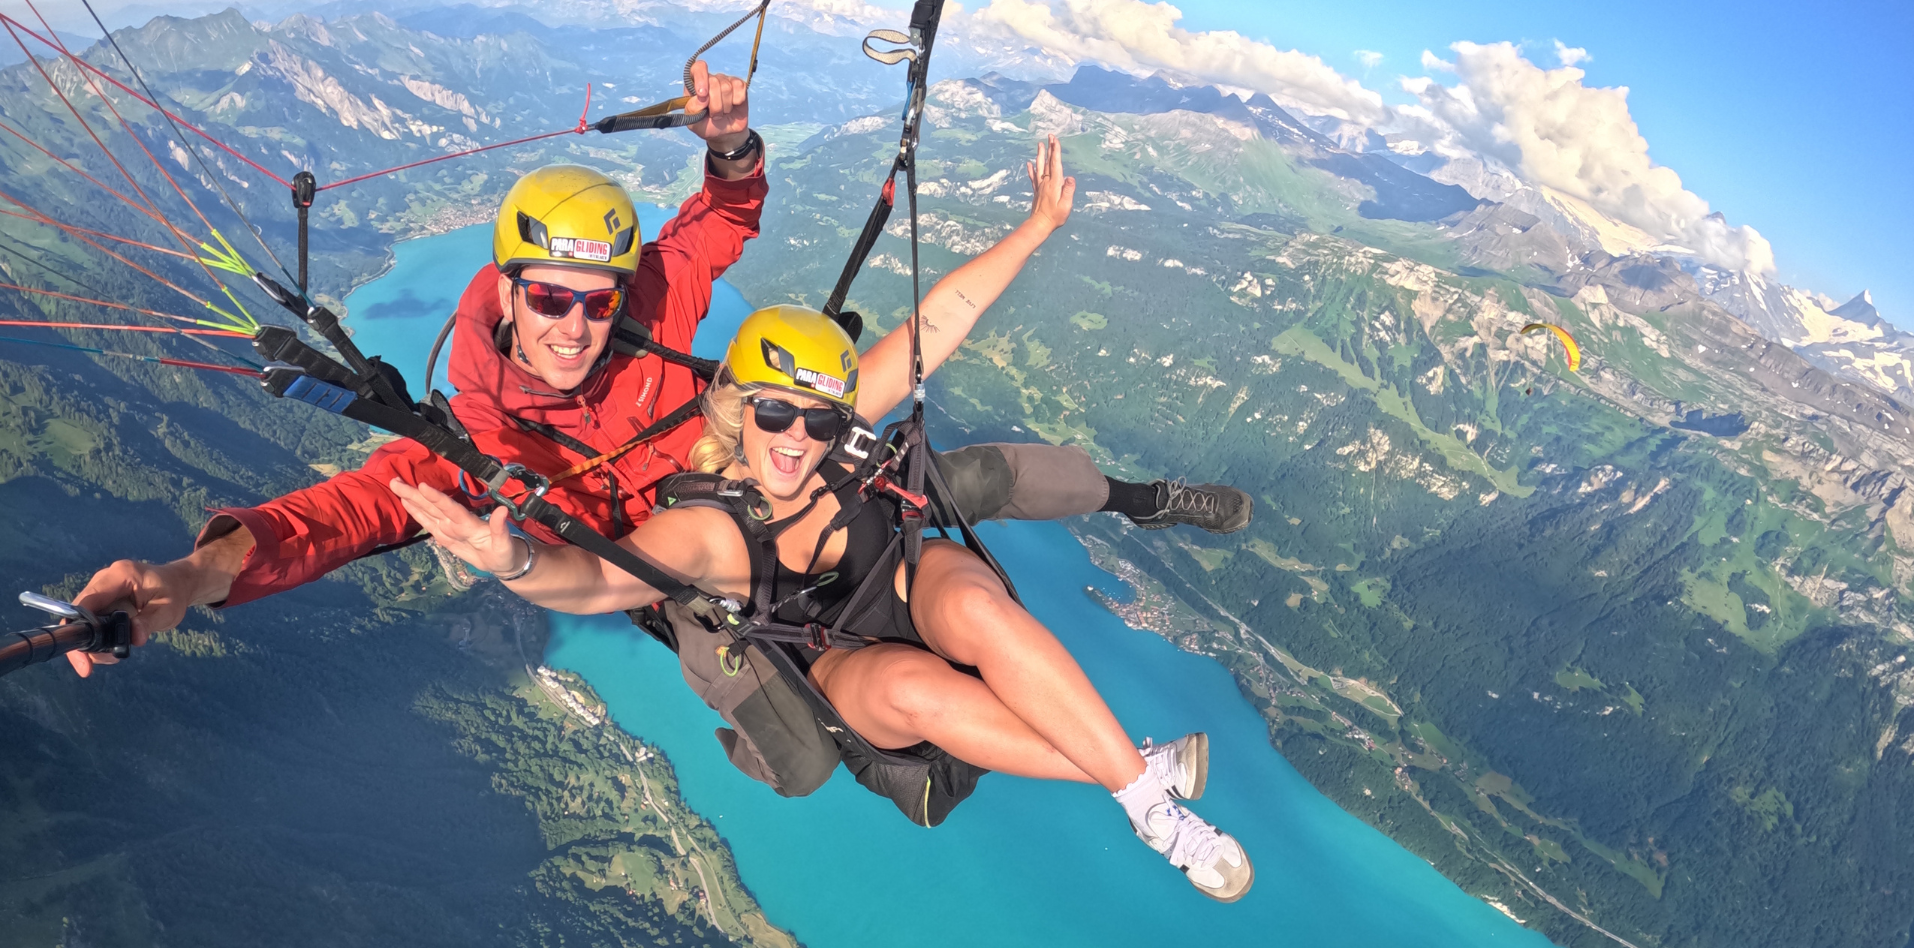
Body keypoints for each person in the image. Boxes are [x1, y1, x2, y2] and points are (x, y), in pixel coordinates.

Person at [391, 138, 1256, 902]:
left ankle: (1148, 789)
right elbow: (601, 580)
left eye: (819, 421)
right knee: (915, 691)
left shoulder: (825, 431)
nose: (797, 440)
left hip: (901, 577)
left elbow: (935, 324)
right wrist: (516, 566)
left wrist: (1034, 230)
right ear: (736, 412)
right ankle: (1143, 780)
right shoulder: (711, 525)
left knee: (982, 590)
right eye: (774, 418)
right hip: (829, 656)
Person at [66, 62, 765, 673]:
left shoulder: (651, 306)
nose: (576, 328)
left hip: (752, 490)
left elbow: (717, 223)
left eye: (598, 301)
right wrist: (192, 577)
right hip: (675, 571)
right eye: (549, 298)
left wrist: (731, 146)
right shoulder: (477, 437)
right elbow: (345, 514)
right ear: (507, 293)